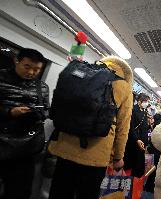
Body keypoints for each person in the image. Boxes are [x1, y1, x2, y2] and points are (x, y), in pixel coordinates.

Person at [48, 56, 133, 199]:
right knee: (87, 194)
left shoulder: (81, 73)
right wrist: (118, 157)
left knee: (59, 192)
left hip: (64, 147)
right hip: (96, 154)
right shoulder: (124, 86)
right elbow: (123, 128)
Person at [0, 48, 49, 199]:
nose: (31, 72)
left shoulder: (42, 87)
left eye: (36, 69)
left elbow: (46, 109)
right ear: (16, 60)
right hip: (1, 142)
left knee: (19, 191)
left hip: (26, 148)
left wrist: (40, 114)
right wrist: (9, 112)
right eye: (27, 66)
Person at [124, 93, 150, 178]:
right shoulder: (133, 110)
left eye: (147, 101)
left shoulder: (144, 111)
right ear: (139, 101)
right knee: (134, 162)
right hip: (134, 140)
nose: (146, 103)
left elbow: (144, 126)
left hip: (142, 140)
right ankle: (130, 181)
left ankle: (136, 182)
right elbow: (131, 127)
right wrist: (137, 139)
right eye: (145, 101)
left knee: (139, 162)